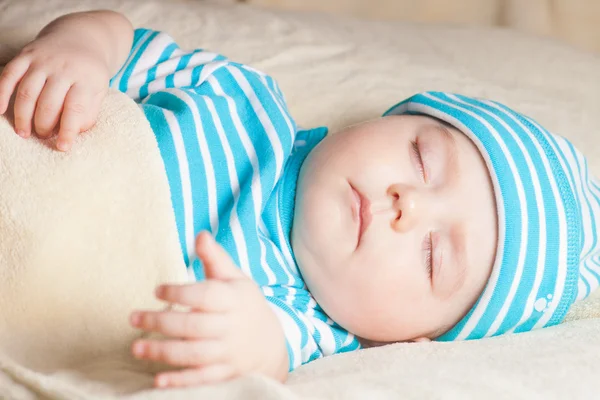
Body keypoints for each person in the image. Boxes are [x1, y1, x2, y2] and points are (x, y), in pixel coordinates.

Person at [1, 10, 599, 389]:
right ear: (390, 117)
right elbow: (119, 37)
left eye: (432, 257)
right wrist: (79, 48)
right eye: (422, 159)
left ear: (409, 338)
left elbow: (260, 364)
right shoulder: (240, 100)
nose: (406, 205)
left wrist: (243, 348)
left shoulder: (299, 322)